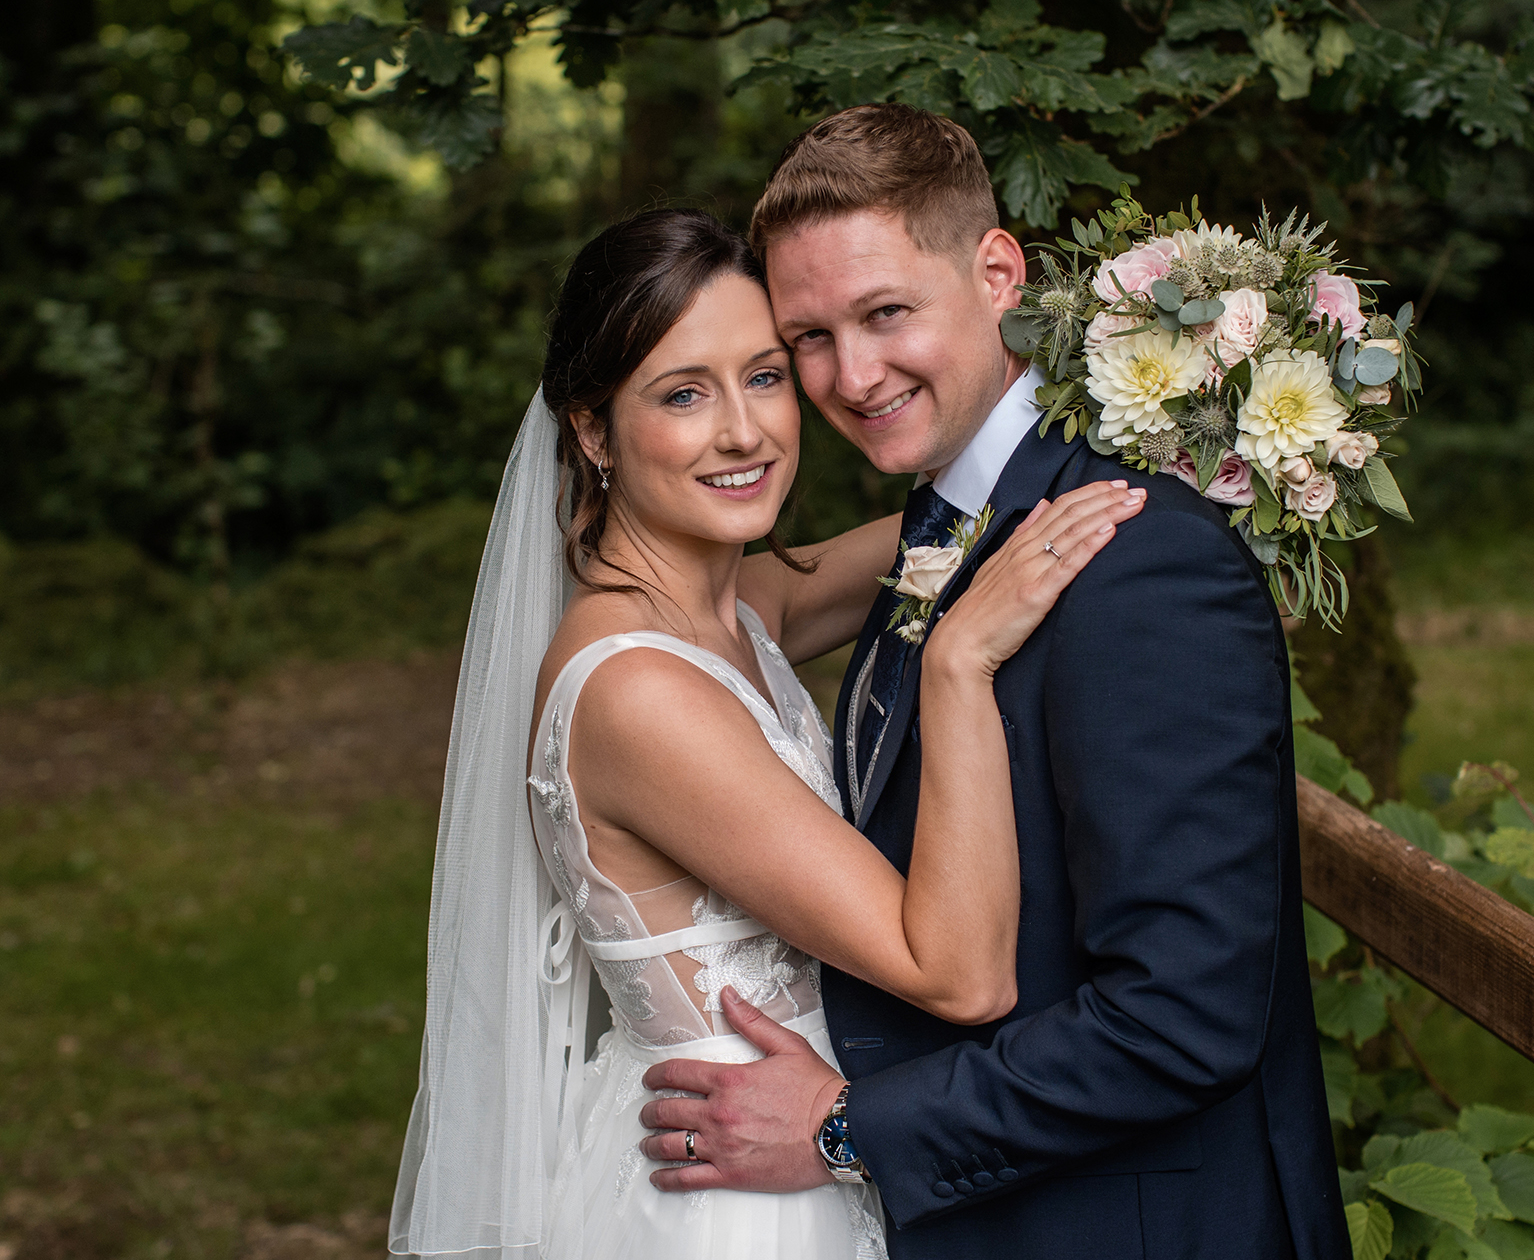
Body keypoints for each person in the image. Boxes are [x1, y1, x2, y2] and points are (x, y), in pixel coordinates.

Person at [632, 106, 1350, 1260]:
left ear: (998, 271)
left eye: (887, 313)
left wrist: (846, 1127)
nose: (851, 375)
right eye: (807, 337)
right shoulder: (958, 522)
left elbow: (1184, 1014)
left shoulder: (1133, 559)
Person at [386, 207, 1146, 1260]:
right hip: (739, 1196)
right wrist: (959, 664)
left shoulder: (735, 606)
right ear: (595, 430)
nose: (744, 430)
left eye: (765, 375)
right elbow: (960, 971)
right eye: (684, 393)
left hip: (810, 1143)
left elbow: (977, 513)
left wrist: (1167, 409)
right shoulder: (639, 692)